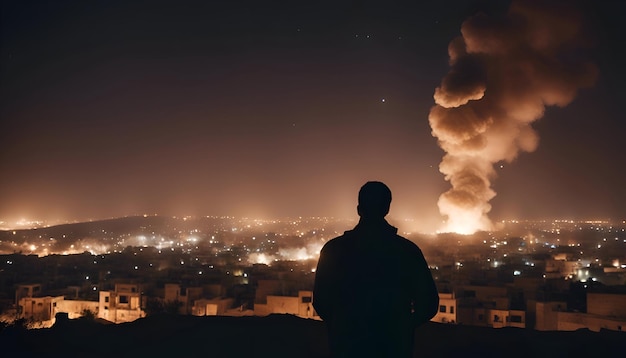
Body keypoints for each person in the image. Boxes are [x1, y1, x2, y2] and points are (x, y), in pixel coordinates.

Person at [313, 181, 439, 358]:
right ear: (387, 209)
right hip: (393, 346)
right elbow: (428, 304)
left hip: (347, 346)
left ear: (359, 209)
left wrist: (343, 326)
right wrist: (401, 327)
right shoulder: (406, 251)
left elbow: (320, 301)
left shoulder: (333, 250)